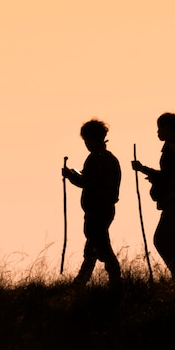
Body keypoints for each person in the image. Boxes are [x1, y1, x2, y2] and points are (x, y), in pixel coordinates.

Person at [131, 112, 175, 278]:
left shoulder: (170, 150)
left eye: (160, 127)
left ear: (168, 129)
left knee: (161, 239)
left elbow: (166, 177)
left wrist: (142, 169)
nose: (158, 132)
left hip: (174, 201)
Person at [62, 118, 122, 289]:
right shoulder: (109, 158)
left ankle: (114, 278)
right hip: (104, 208)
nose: (86, 144)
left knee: (100, 245)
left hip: (98, 209)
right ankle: (81, 282)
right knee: (93, 246)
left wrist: (71, 176)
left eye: (87, 140)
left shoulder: (97, 158)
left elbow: (88, 182)